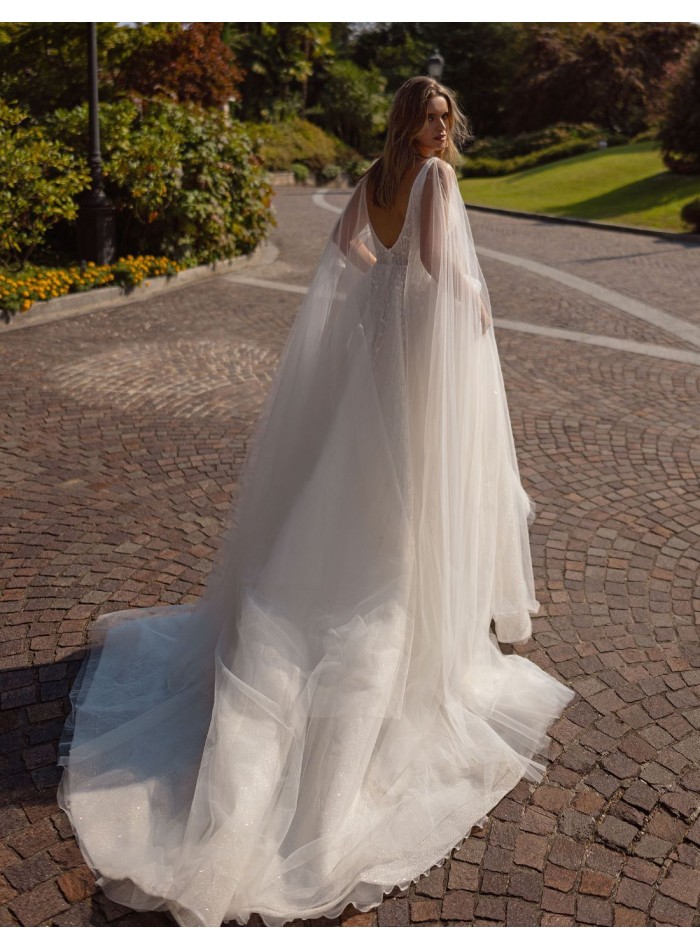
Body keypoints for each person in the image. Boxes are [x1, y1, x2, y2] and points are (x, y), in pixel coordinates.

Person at [58, 76, 575, 927]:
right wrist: (473, 299)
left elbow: (348, 248)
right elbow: (439, 263)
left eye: (447, 116)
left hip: (382, 333)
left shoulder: (376, 177)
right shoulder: (436, 178)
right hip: (419, 335)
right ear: (414, 122)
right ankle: (403, 585)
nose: (442, 128)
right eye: (433, 117)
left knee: (367, 461)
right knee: (414, 464)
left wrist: (382, 281)